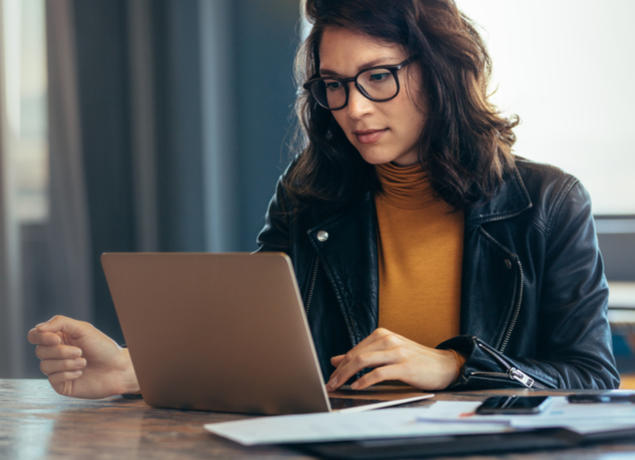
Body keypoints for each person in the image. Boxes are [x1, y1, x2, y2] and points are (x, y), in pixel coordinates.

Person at [28, 0, 619, 399]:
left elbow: (590, 378)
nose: (354, 108)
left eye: (378, 76)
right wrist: (134, 368)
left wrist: (457, 367)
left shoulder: (547, 202)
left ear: (441, 70)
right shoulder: (310, 193)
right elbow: (258, 347)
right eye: (334, 85)